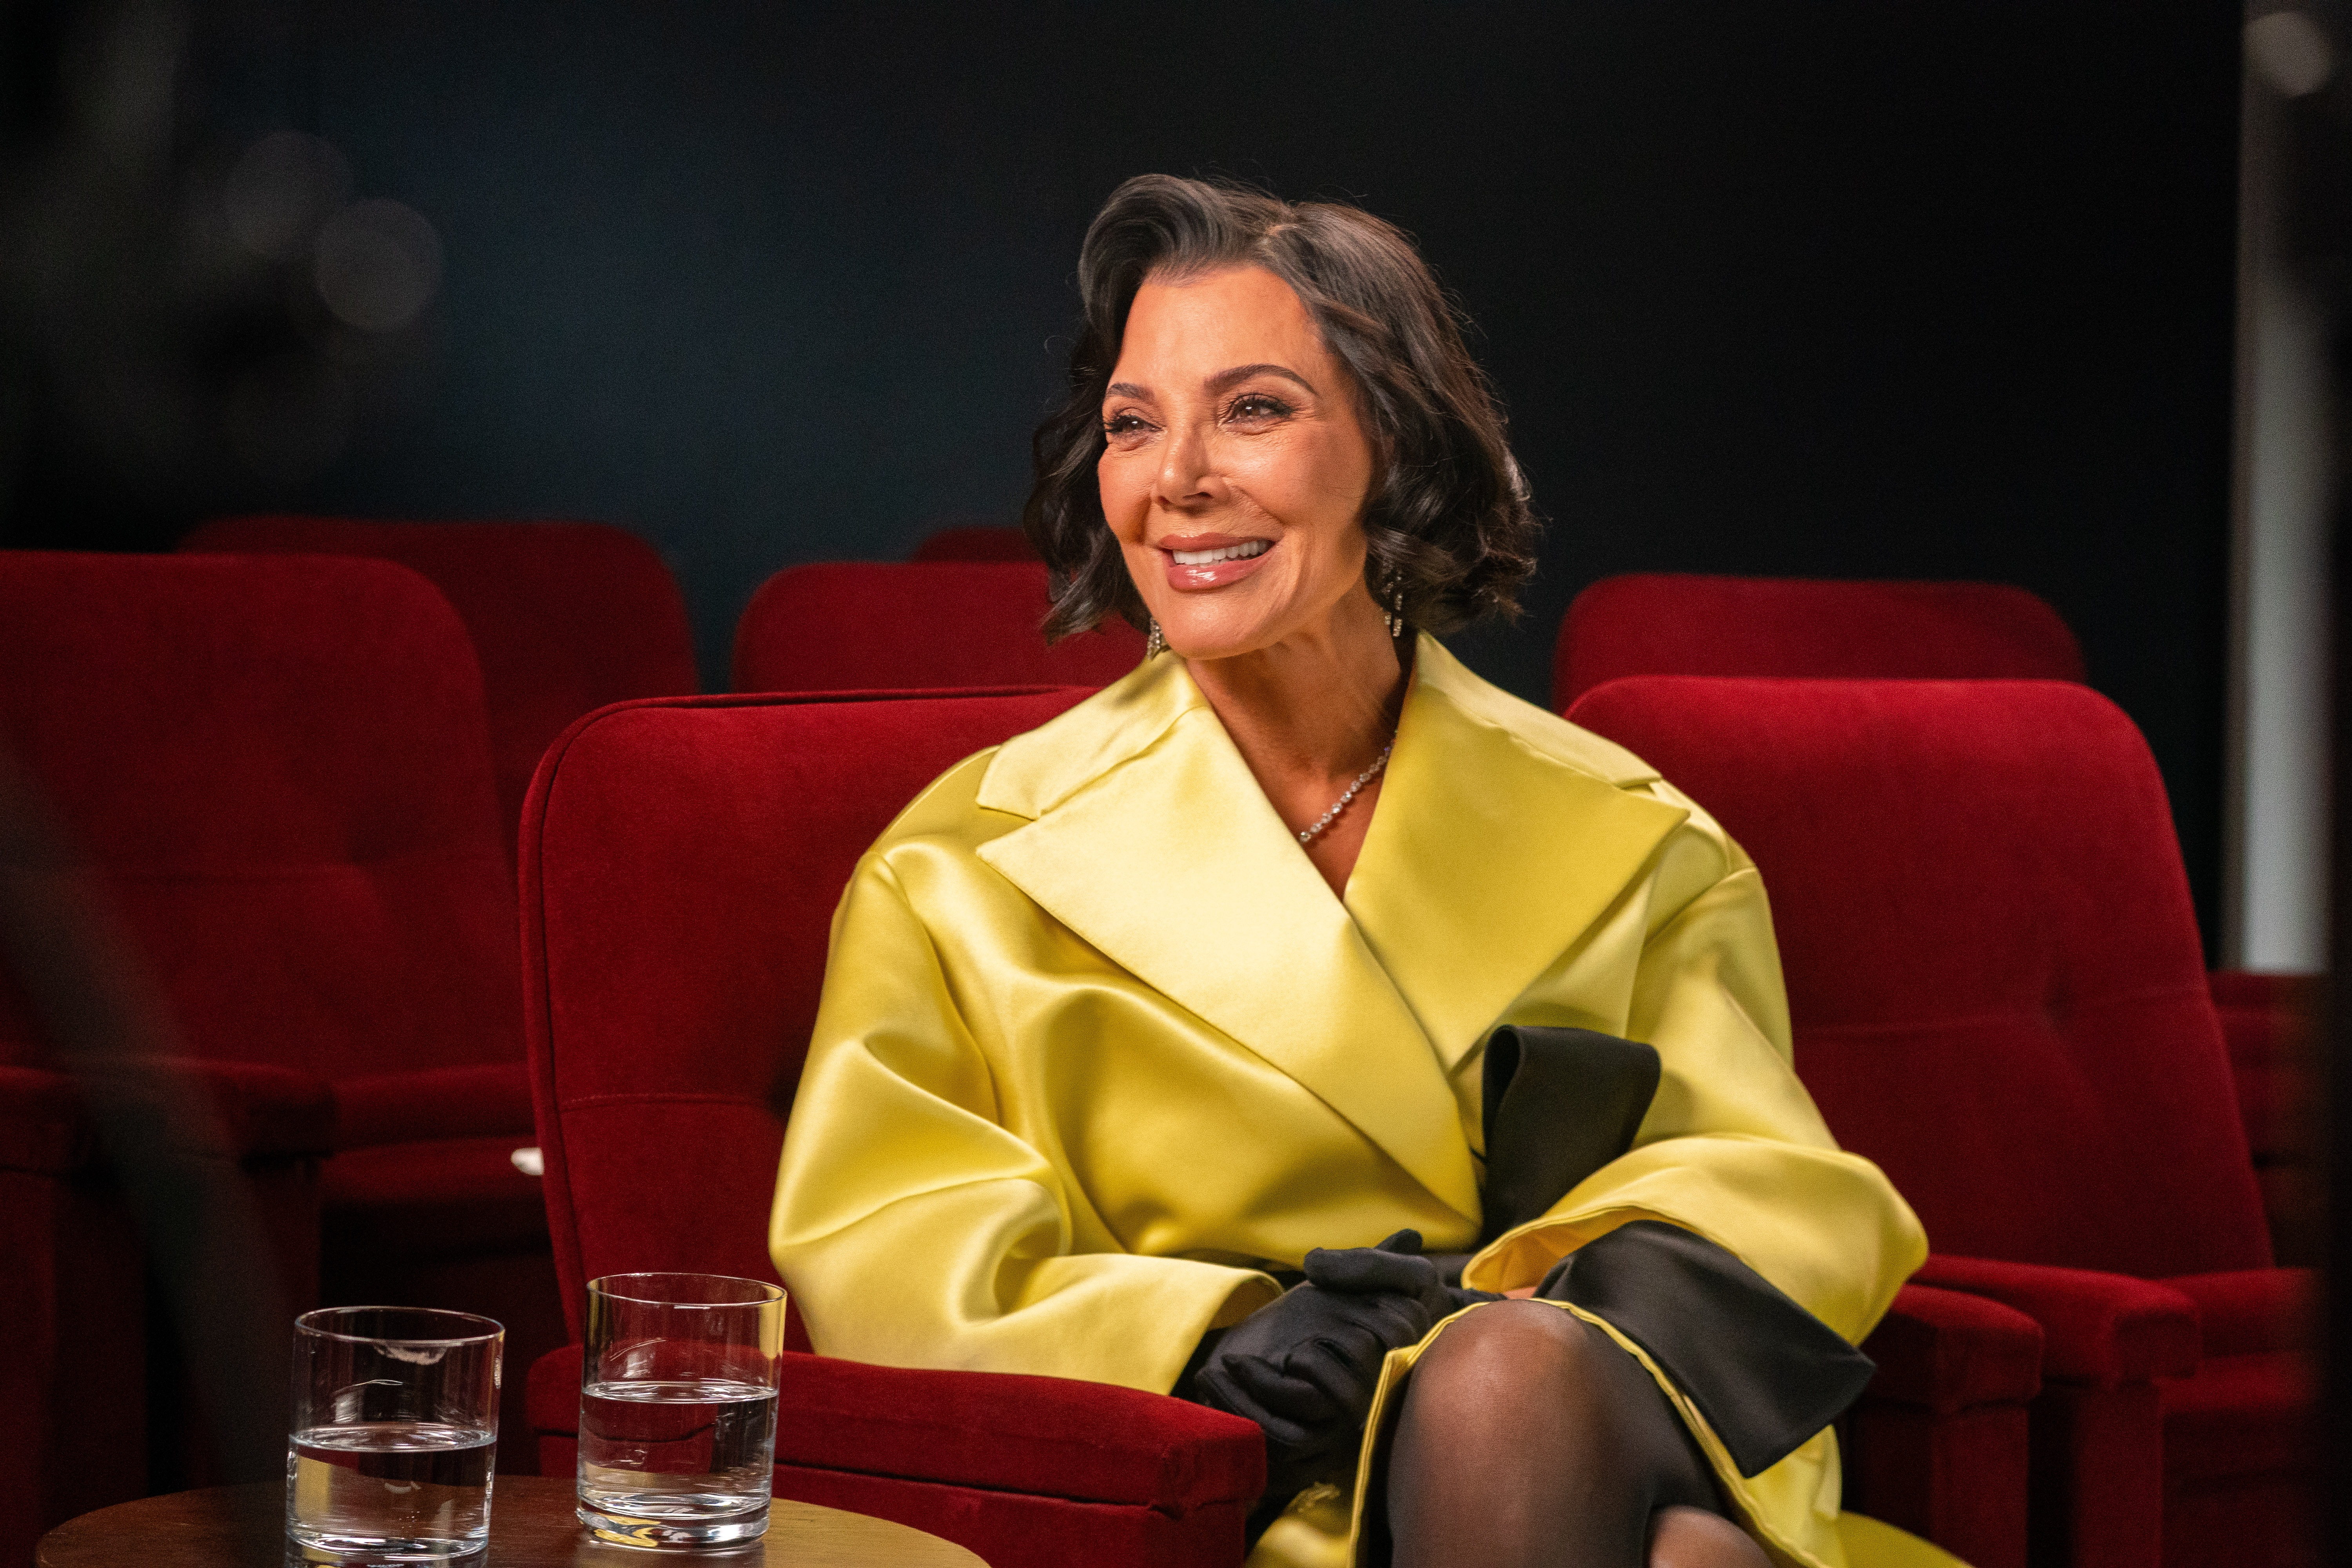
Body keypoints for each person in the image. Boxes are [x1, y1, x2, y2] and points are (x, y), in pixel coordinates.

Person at [769, 175, 1951, 1568]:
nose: (1180, 478)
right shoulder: (959, 865)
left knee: (1511, 1389)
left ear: (1395, 445)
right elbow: (896, 1258)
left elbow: (1770, 1185)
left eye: (1254, 409)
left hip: (1597, 1405)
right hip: (1243, 1474)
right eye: (1133, 425)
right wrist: (1232, 1340)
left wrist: (1494, 1302)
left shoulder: (1640, 839)